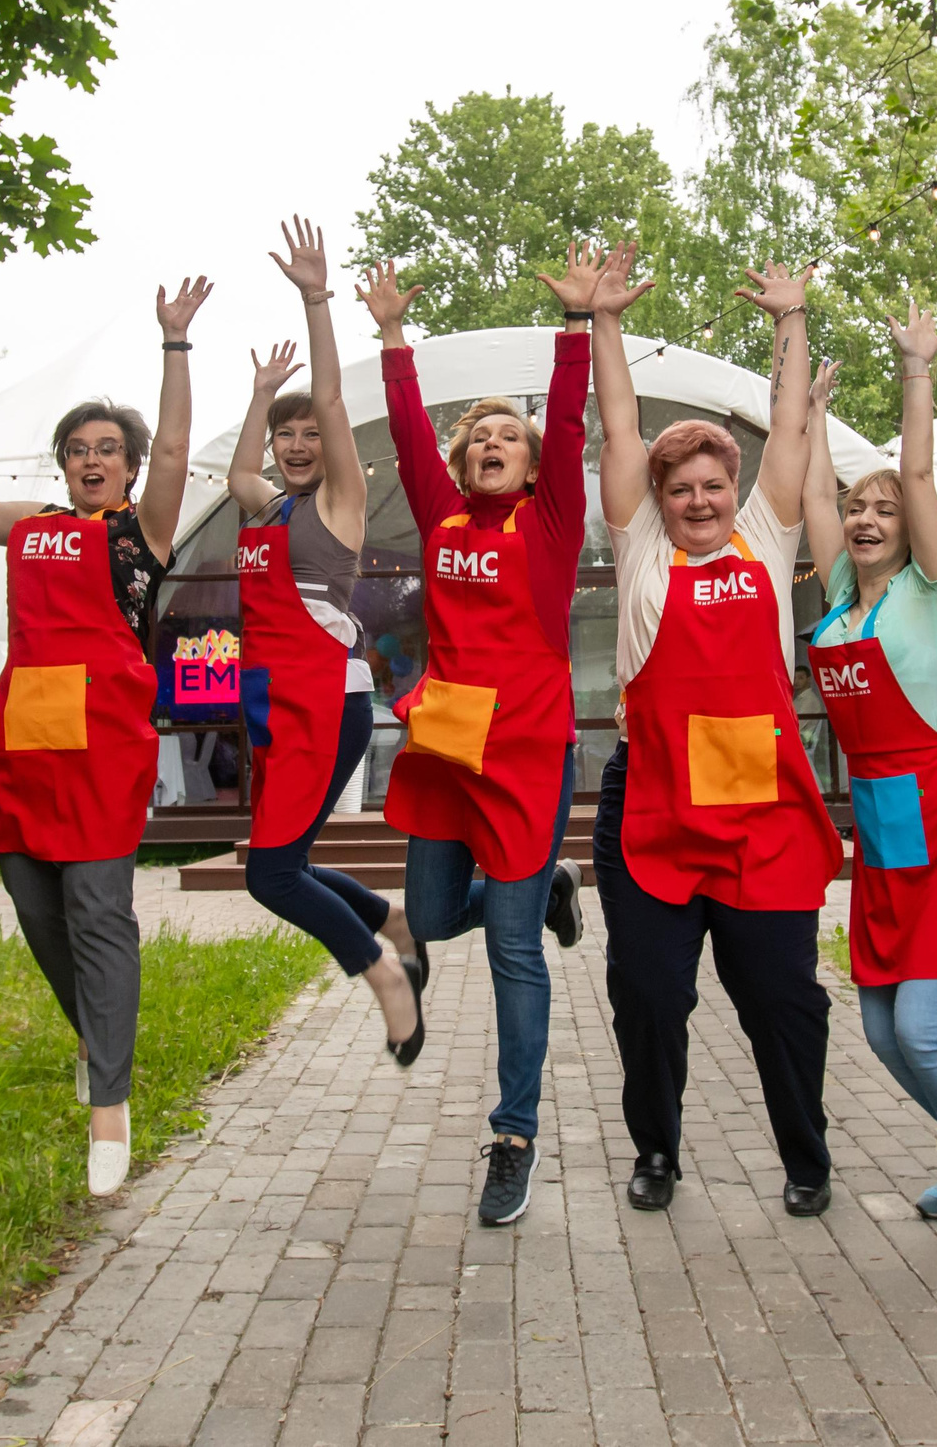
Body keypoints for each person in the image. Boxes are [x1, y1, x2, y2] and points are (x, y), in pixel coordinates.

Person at [588, 245, 844, 1220]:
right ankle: (656, 1150)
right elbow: (618, 428)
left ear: (732, 489)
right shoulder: (642, 543)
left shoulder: (765, 535)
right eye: (679, 487)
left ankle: (806, 1157)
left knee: (785, 1002)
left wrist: (791, 318)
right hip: (651, 809)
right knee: (649, 999)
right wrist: (602, 323)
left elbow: (787, 427)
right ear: (658, 501)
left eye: (709, 485)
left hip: (760, 812)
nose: (696, 501)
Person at [0, 276, 203, 1195]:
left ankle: (110, 1105)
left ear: (127, 464)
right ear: (64, 464)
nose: (94, 461)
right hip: (25, 736)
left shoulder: (143, 531)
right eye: (79, 450)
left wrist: (175, 345)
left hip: (103, 745)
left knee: (97, 910)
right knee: (33, 903)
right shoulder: (33, 525)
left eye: (108, 450)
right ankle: (97, 1036)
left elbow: (174, 443)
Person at [364, 250, 588, 1227]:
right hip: (451, 749)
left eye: (511, 436)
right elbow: (410, 435)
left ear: (534, 465)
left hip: (531, 752)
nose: (492, 443)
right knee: (429, 911)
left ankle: (512, 1134)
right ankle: (541, 891)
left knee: (508, 952)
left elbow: (572, 426)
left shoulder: (547, 525)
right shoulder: (442, 516)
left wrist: (575, 331)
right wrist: (389, 338)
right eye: (479, 437)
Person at [800, 306, 937, 1259]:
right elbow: (811, 500)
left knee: (926, 1030)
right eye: (860, 507)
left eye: (883, 509)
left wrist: (915, 371)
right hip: (886, 838)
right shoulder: (839, 602)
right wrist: (805, 412)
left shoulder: (928, 591)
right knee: (887, 1035)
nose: (865, 517)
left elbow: (919, 473)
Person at [227, 217, 425, 1064]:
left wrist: (316, 299)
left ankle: (380, 965)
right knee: (289, 861)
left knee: (271, 874)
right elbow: (239, 475)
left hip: (325, 698)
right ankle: (397, 919)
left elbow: (337, 402)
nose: (299, 443)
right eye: (286, 433)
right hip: (271, 702)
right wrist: (259, 392)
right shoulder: (264, 504)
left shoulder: (338, 504)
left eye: (309, 433)